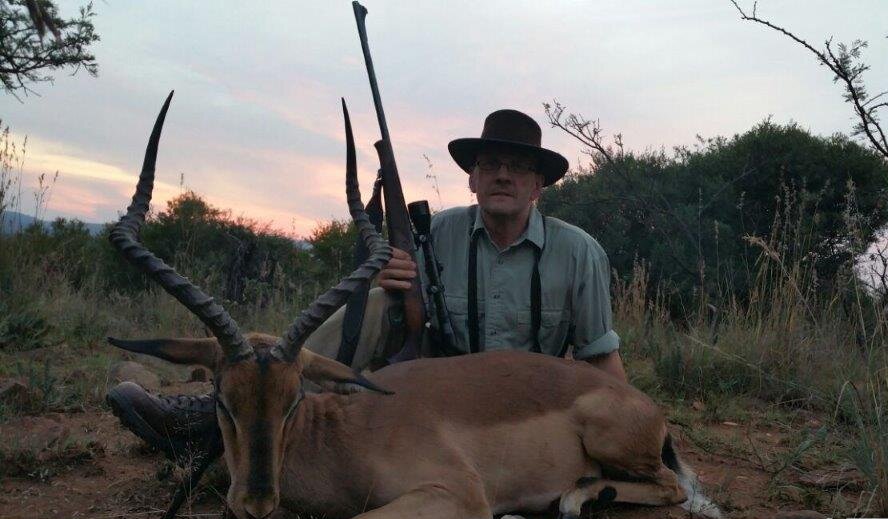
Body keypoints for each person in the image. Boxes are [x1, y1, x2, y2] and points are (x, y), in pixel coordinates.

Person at [106, 108, 625, 462]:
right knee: (378, 301)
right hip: (439, 386)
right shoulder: (435, 233)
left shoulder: (579, 253)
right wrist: (389, 277)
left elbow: (601, 360)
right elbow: (404, 310)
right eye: (491, 165)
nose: (503, 176)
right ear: (472, 178)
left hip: (524, 405)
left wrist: (628, 419)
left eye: (518, 168)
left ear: (539, 185)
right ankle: (230, 410)